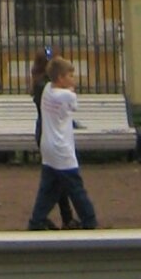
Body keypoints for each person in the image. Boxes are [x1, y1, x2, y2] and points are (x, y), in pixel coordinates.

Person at [25, 55, 98, 230]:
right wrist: (70, 89)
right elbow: (73, 104)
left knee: (48, 187)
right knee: (75, 188)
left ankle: (37, 220)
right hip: (62, 148)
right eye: (70, 75)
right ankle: (89, 220)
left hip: (48, 146)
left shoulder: (47, 90)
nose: (73, 79)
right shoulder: (67, 96)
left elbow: (44, 81)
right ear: (60, 78)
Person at [29, 47, 76, 228]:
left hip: (48, 132)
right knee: (58, 181)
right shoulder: (44, 86)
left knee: (57, 180)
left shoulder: (43, 84)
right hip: (48, 133)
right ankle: (44, 217)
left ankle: (60, 217)